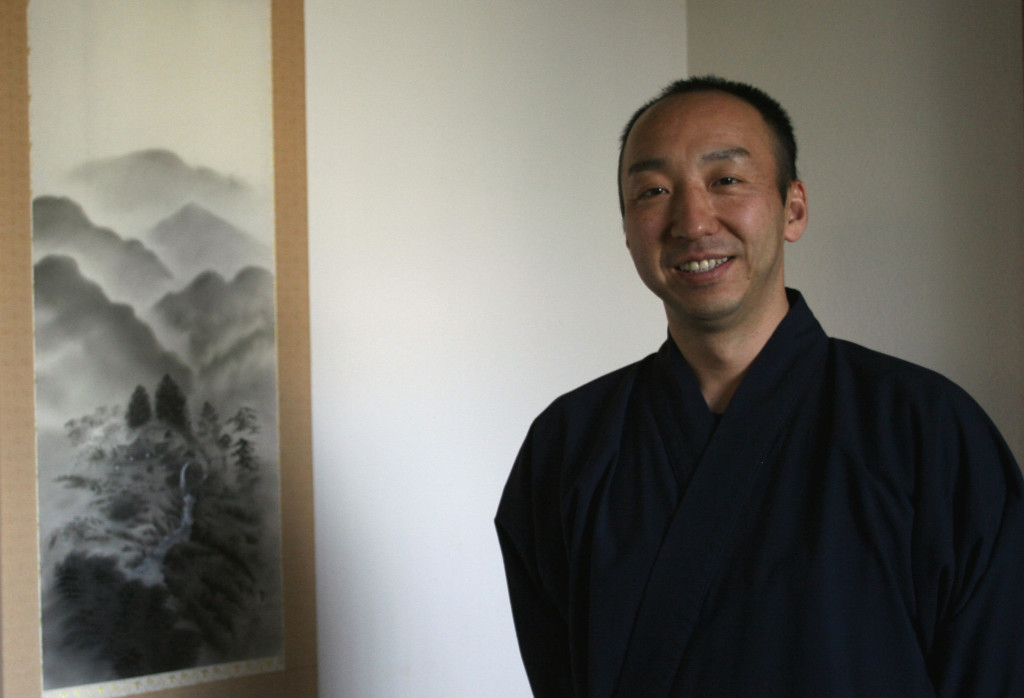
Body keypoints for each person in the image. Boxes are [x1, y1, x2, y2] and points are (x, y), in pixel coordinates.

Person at [495, 76, 1024, 697]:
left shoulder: (926, 428)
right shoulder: (569, 443)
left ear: (792, 208)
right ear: (627, 230)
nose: (693, 221)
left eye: (726, 180)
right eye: (653, 191)